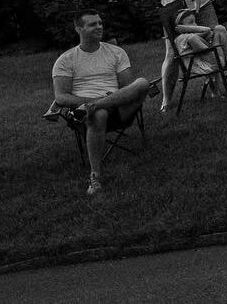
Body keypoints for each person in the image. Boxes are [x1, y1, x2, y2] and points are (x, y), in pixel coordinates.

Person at [50, 10, 151, 196]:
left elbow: (127, 87)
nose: (99, 27)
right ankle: (95, 176)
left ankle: (95, 106)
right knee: (99, 114)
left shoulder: (116, 52)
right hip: (84, 115)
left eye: (100, 23)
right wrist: (93, 104)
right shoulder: (65, 60)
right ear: (78, 29)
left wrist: (101, 102)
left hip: (118, 108)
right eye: (92, 24)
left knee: (142, 83)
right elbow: (61, 97)